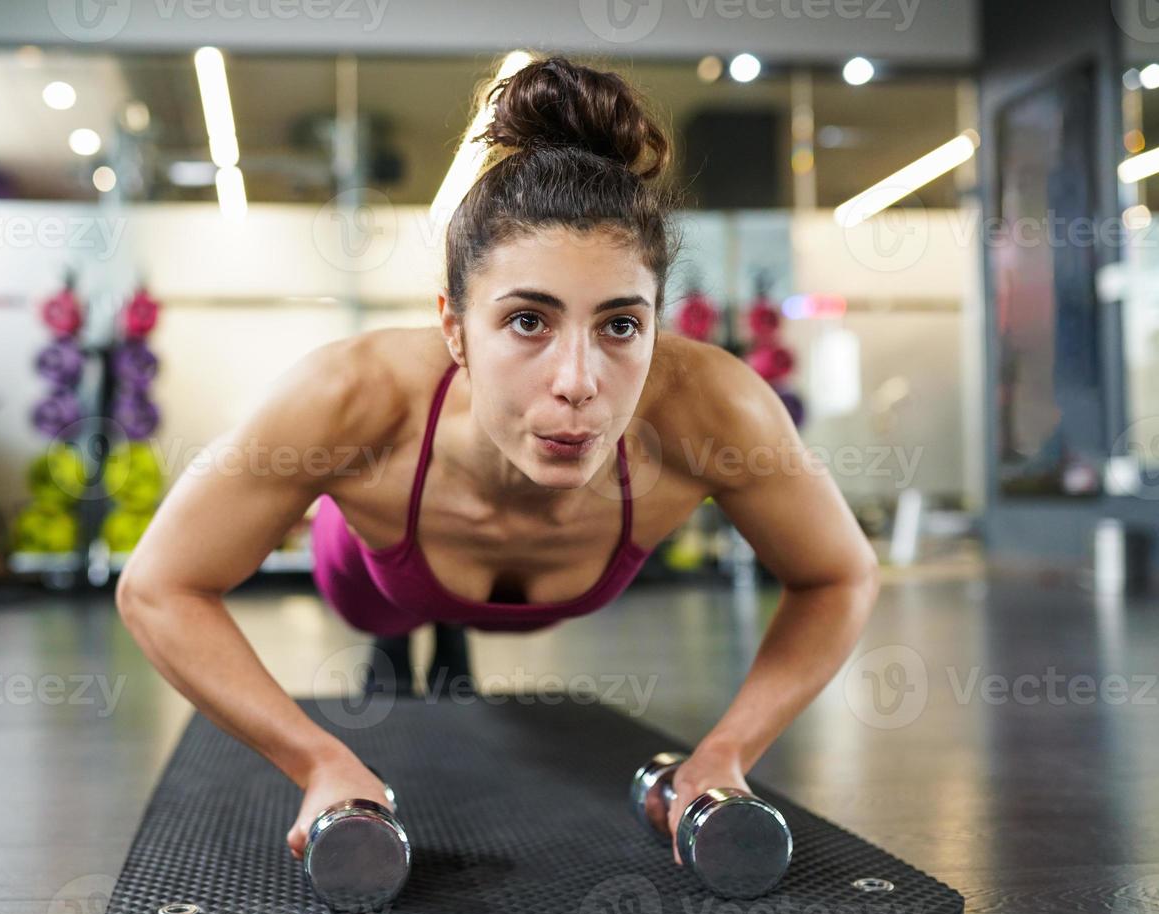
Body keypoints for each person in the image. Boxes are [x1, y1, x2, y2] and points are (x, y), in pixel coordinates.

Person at [116, 55, 879, 865]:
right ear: (454, 328)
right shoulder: (351, 397)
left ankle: (447, 634)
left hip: (547, 576)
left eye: (621, 326)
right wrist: (320, 758)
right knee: (388, 616)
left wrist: (726, 752)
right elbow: (159, 587)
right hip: (379, 574)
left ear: (658, 321)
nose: (579, 383)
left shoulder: (713, 409)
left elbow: (840, 575)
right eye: (527, 321)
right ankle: (413, 630)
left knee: (443, 639)